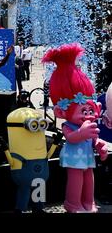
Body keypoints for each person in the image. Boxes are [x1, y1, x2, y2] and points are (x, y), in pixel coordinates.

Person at [43, 43, 108, 213]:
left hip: (87, 157)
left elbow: (94, 139)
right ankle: (73, 203)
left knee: (89, 179)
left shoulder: (89, 125)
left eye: (90, 110)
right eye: (83, 111)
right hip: (74, 157)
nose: (88, 114)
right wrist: (82, 133)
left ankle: (89, 202)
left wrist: (99, 144)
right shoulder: (68, 125)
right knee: (76, 179)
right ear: (61, 111)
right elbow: (71, 138)